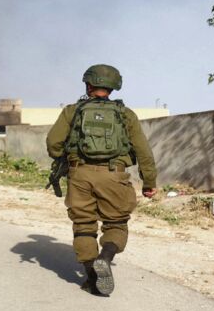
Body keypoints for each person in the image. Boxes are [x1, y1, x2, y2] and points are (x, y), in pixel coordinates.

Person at [45, 65, 156, 297]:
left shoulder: (72, 111)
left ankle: (91, 276)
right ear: (113, 87)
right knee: (116, 223)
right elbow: (144, 152)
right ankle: (105, 257)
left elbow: (53, 143)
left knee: (84, 224)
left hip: (79, 175)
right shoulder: (126, 115)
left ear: (88, 85)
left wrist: (68, 158)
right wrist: (149, 182)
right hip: (114, 176)